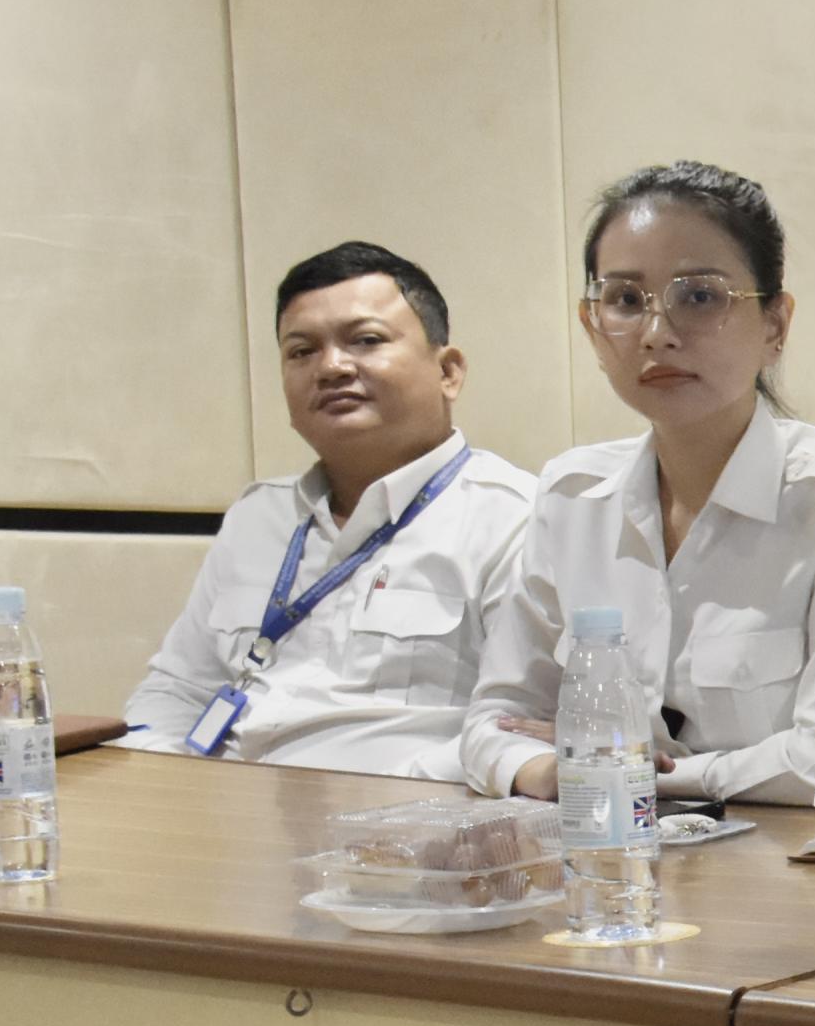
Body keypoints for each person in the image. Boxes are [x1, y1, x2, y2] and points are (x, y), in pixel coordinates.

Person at [462, 162, 815, 806]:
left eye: (699, 297)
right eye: (625, 300)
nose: (657, 334)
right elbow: (495, 721)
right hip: (603, 845)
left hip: (789, 858)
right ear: (592, 326)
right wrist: (542, 771)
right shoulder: (571, 495)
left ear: (775, 326)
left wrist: (638, 772)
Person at [122, 242, 537, 779]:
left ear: (448, 372)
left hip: (408, 815)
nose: (332, 367)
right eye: (302, 351)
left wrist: (382, 796)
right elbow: (177, 690)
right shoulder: (258, 516)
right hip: (226, 807)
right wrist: (160, 783)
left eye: (366, 340)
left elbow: (520, 726)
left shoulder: (515, 519)